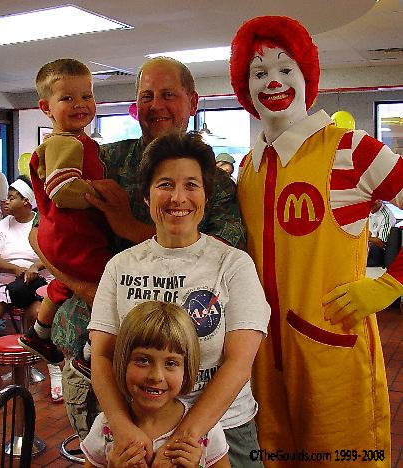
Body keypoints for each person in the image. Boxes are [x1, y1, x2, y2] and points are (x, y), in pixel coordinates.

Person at [29, 56, 245, 441]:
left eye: (168, 95)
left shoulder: (215, 185)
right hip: (91, 355)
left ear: (192, 102)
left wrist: (127, 226)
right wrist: (84, 288)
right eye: (147, 96)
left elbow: (214, 266)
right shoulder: (101, 160)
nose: (156, 105)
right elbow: (39, 237)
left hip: (180, 378)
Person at [230, 15, 403, 466]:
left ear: (308, 76)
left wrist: (389, 283)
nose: (273, 82)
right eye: (259, 71)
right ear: (244, 87)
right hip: (262, 361)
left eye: (286, 69)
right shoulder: (249, 167)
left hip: (333, 355)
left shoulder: (351, 148)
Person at [89, 131, 270, 467]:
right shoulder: (121, 266)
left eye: (191, 184)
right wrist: (124, 429)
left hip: (224, 429)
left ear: (205, 194)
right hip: (139, 430)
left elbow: (239, 363)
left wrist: (183, 440)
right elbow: (101, 356)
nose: (178, 197)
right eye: (165, 184)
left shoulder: (232, 264)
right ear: (146, 195)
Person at [19, 59, 111, 369]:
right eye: (67, 98)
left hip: (59, 233)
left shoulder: (75, 142)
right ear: (46, 106)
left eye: (86, 95)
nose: (80, 104)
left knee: (63, 281)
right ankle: (88, 354)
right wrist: (101, 195)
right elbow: (62, 190)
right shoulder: (65, 143)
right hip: (73, 234)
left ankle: (38, 333)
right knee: (108, 286)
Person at [82, 300, 230, 467]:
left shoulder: (208, 432)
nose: (156, 376)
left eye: (171, 363)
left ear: (187, 369)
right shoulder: (104, 428)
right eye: (143, 360)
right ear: (123, 363)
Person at [0, 176, 63, 401]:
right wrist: (17, 270)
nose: (5, 202)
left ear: (27, 201)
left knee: (38, 315)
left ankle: (53, 368)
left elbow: (50, 255)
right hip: (7, 280)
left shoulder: (43, 223)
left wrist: (33, 268)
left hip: (38, 279)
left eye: (11, 198)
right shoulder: (3, 224)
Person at [367, 200, 396, 267]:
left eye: (376, 199)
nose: (372, 201)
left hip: (378, 251)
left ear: (381, 200)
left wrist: (366, 236)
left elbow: (381, 243)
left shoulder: (386, 215)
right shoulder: (366, 209)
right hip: (366, 244)